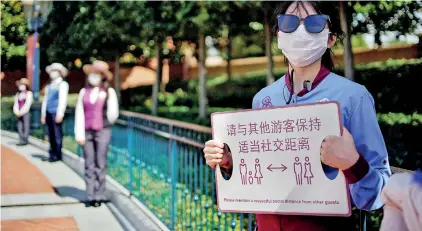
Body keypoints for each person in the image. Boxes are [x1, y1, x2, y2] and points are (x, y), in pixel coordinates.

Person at [203, 1, 391, 231]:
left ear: (331, 38)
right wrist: (230, 163)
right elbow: (260, 176)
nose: (300, 31)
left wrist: (353, 163)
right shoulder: (263, 99)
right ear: (278, 35)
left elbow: (380, 193)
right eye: (289, 23)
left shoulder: (354, 98)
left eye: (314, 23)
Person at [75, 60, 119, 207]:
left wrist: (105, 120)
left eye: (97, 74)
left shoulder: (108, 92)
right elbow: (79, 113)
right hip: (87, 131)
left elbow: (113, 113)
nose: (94, 76)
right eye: (92, 73)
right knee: (89, 163)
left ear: (102, 76)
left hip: (103, 130)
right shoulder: (84, 92)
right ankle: (90, 194)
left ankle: (99, 194)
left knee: (101, 162)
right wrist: (79, 134)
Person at [41, 63, 69, 162]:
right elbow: (45, 100)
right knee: (50, 133)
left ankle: (57, 154)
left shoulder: (63, 84)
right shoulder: (49, 85)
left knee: (57, 133)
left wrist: (60, 114)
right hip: (48, 112)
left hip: (55, 112)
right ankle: (51, 152)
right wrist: (43, 114)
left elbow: (63, 100)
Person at [13, 78, 33, 145]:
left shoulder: (29, 93)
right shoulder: (18, 94)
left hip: (25, 112)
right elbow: (16, 103)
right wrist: (17, 112)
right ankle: (21, 139)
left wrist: (21, 112)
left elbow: (27, 104)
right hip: (18, 112)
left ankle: (25, 140)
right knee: (19, 126)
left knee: (26, 126)